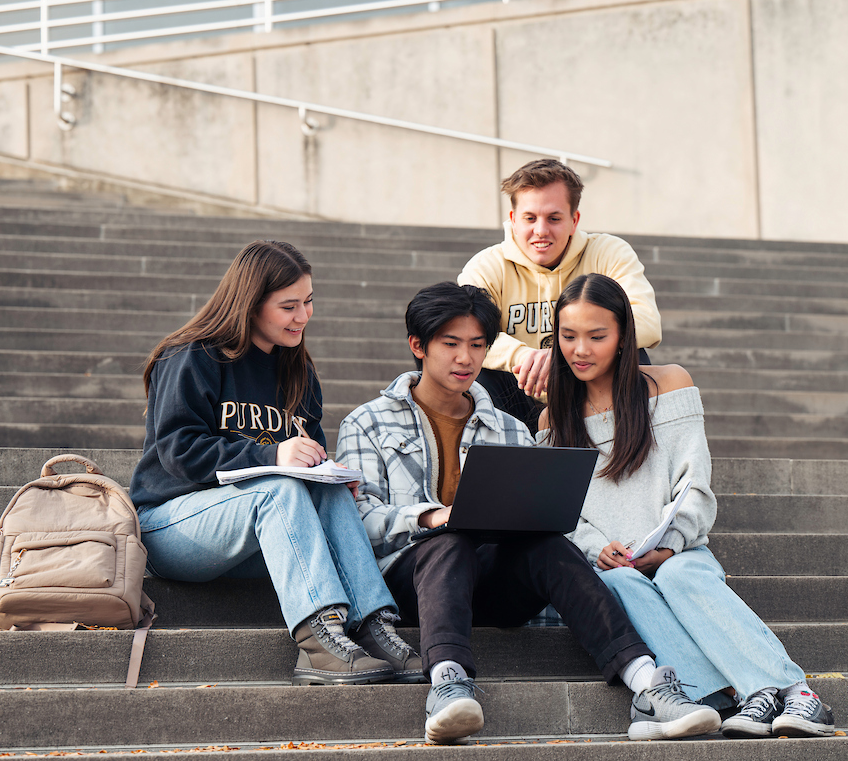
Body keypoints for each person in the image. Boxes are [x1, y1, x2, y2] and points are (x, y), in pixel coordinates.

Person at [336, 281, 721, 744]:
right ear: (418, 346)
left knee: (549, 543)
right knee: (450, 540)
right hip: (408, 583)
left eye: (478, 346)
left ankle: (647, 683)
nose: (466, 359)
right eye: (451, 345)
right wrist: (433, 517)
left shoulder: (508, 428)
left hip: (492, 582)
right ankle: (448, 683)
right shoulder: (367, 422)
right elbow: (358, 523)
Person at [538, 272, 836, 739]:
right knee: (619, 582)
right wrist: (596, 547)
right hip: (617, 565)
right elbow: (563, 512)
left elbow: (695, 484)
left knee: (678, 573)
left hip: (679, 551)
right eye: (568, 336)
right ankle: (738, 697)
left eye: (596, 336)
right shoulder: (553, 418)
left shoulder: (667, 385)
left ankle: (795, 691)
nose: (580, 349)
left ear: (622, 337)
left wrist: (672, 543)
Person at [129, 240, 424, 686]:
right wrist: (273, 455)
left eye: (308, 302)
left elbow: (309, 459)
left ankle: (374, 628)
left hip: (262, 534)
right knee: (279, 488)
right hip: (172, 525)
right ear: (250, 305)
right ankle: (318, 640)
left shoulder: (298, 372)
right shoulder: (193, 355)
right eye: (288, 306)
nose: (303, 316)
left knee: (320, 489)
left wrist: (328, 474)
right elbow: (178, 450)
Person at [457, 158, 662, 432]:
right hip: (519, 392)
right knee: (474, 366)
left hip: (589, 388)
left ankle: (633, 452)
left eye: (554, 218)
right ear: (513, 220)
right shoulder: (487, 266)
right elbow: (463, 330)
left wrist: (561, 356)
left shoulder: (608, 252)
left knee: (635, 353)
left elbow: (646, 321)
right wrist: (524, 357)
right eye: (530, 218)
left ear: (574, 220)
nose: (541, 230)